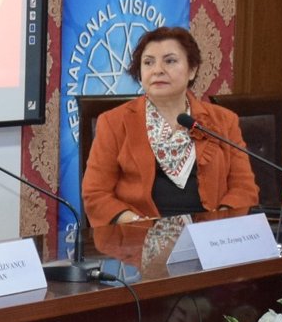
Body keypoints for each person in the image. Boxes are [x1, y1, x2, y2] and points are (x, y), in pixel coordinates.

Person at [82, 26, 260, 225]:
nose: (158, 70)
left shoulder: (224, 121)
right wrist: (139, 225)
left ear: (192, 70)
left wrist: (217, 226)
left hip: (209, 235)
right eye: (148, 62)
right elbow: (96, 194)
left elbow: (244, 188)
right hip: (140, 235)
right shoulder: (113, 122)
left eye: (170, 61)